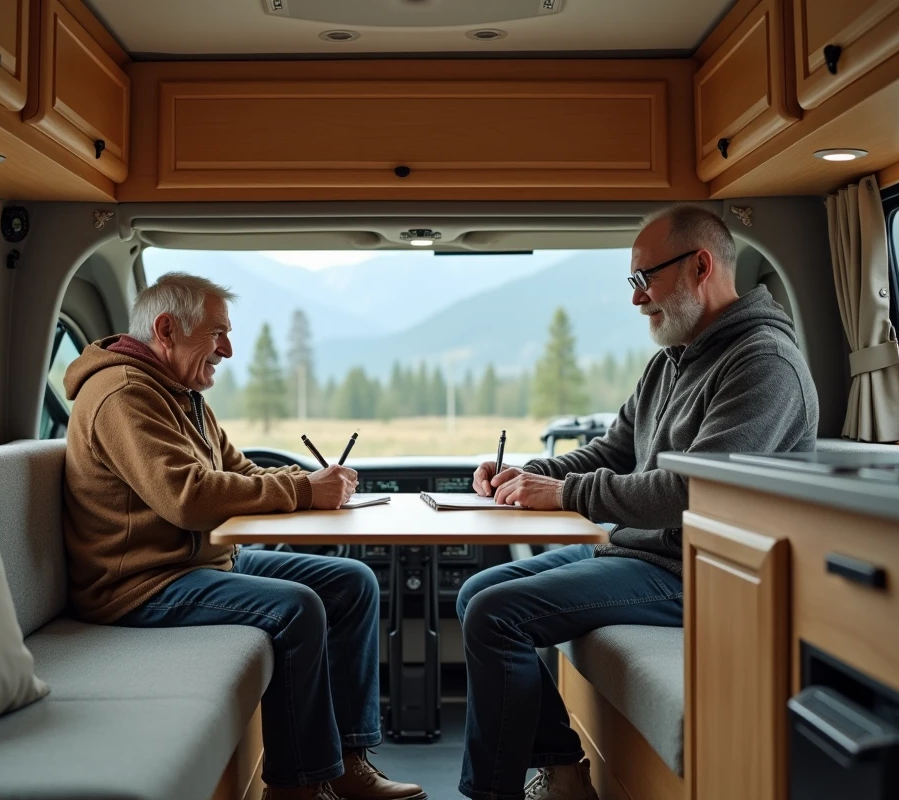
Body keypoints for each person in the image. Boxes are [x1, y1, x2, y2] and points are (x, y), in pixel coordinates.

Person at [457, 205, 819, 800]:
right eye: (634, 282)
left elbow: (692, 493)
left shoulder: (764, 365)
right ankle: (566, 771)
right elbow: (611, 453)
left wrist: (565, 494)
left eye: (643, 278)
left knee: (496, 614)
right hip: (640, 559)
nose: (636, 299)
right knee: (478, 594)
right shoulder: (670, 364)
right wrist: (528, 475)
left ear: (700, 266)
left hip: (699, 575)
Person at [61, 273, 425, 800]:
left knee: (352, 583)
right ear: (166, 329)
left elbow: (241, 470)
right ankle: (297, 786)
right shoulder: (122, 395)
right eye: (217, 334)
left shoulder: (181, 395)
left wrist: (312, 487)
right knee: (298, 608)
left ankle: (346, 762)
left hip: (198, 564)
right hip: (139, 585)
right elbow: (188, 498)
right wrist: (302, 490)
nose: (227, 350)